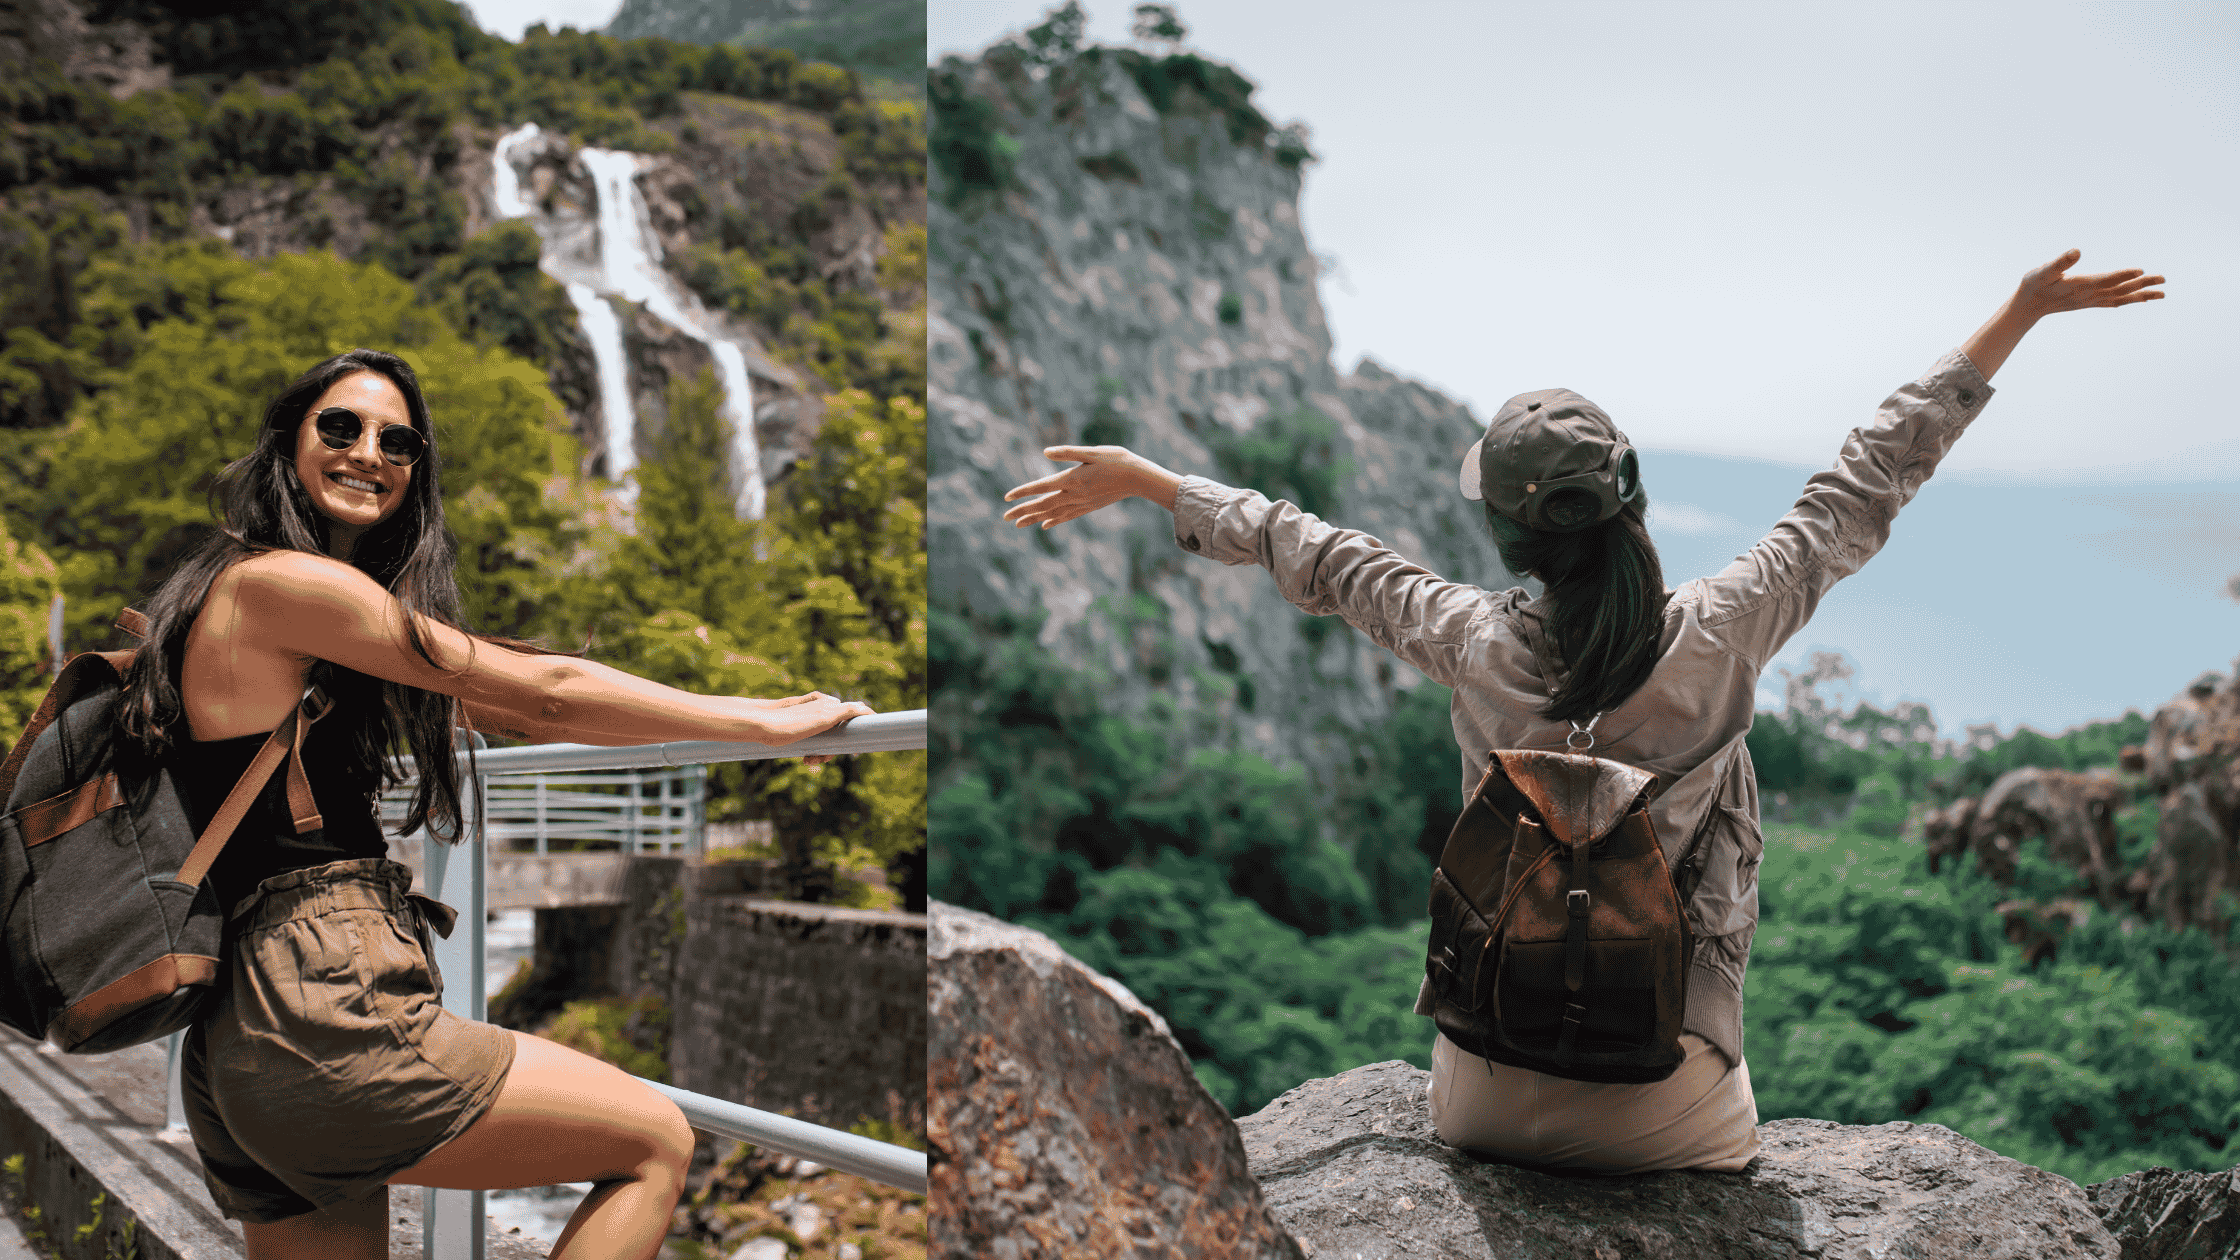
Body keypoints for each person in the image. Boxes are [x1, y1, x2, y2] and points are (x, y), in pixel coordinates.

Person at [998, 250, 2163, 1174]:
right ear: (1631, 499)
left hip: (1477, 1098)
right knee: (1726, 772)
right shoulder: (1724, 627)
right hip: (1669, 1107)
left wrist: (1154, 481)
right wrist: (2014, 312)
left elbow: (1321, 555)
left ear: (1506, 535)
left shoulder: (1467, 638)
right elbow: (1861, 482)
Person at [121, 348, 874, 1260]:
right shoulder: (286, 585)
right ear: (286, 442)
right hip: (322, 1008)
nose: (369, 451)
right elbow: (543, 691)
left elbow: (509, 694)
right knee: (655, 1142)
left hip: (238, 1041)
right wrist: (758, 720)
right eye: (340, 427)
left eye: (397, 440)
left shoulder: (254, 599)